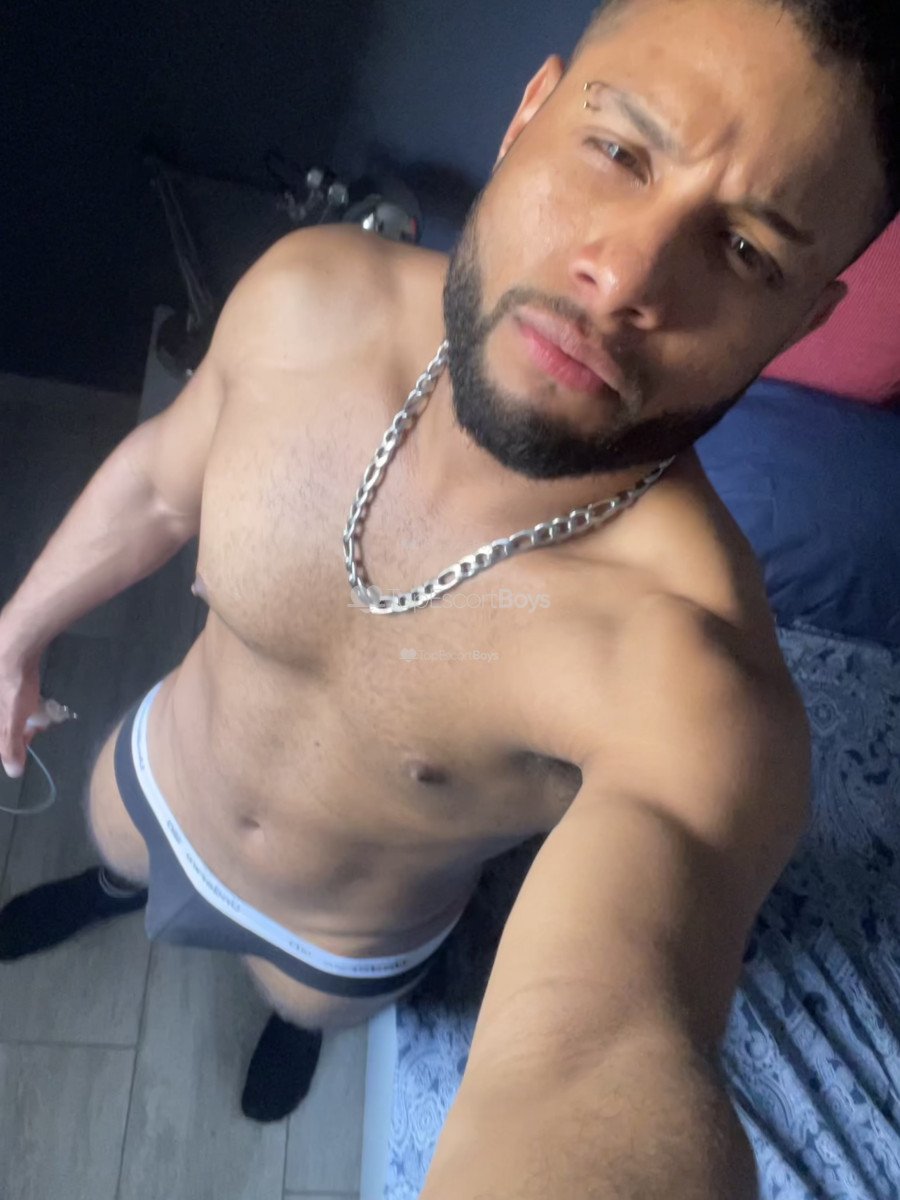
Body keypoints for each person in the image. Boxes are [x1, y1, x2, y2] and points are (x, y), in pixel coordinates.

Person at [1, 0, 897, 1191]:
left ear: (804, 314)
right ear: (530, 114)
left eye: (744, 252)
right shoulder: (308, 298)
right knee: (115, 862)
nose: (622, 278)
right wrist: (18, 628)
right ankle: (106, 889)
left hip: (338, 947)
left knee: (301, 1013)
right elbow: (162, 484)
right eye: (619, 150)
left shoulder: (693, 677)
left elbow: (602, 1057)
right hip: (154, 781)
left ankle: (288, 1033)